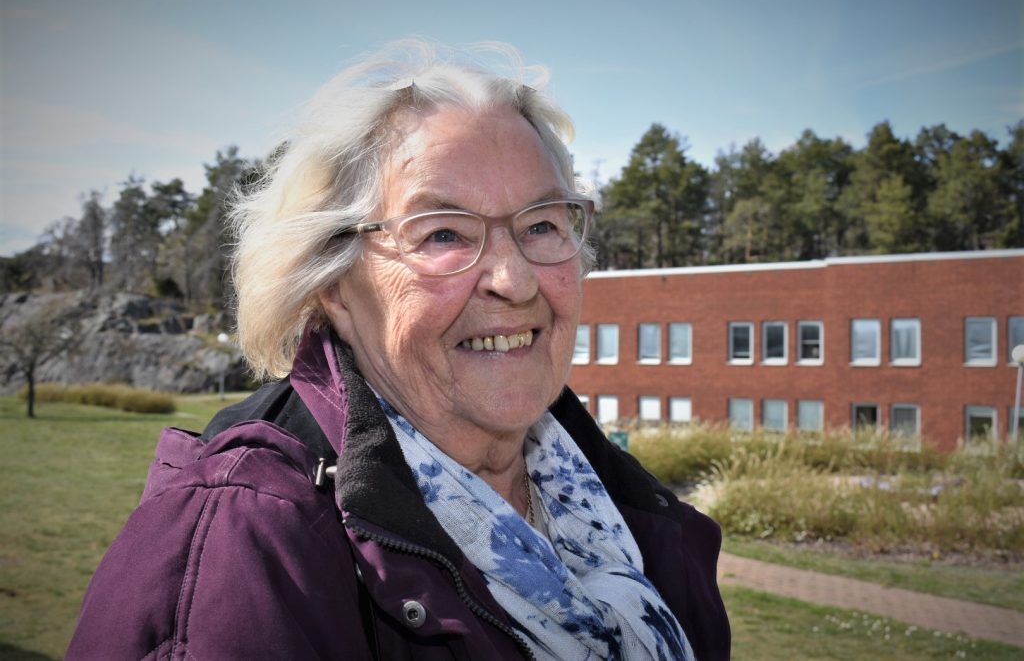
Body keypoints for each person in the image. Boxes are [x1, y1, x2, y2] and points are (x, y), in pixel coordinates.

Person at [68, 40, 730, 660]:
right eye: (442, 233)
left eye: (542, 224)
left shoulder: (613, 496)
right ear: (332, 282)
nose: (516, 279)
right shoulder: (246, 544)